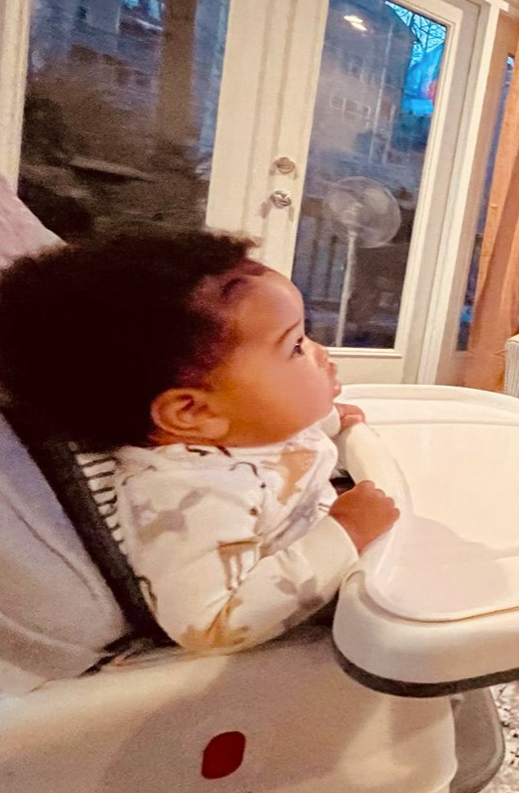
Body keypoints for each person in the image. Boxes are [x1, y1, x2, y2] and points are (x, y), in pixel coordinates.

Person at [0, 229, 400, 654]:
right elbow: (212, 624)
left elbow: (265, 436)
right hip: (320, 633)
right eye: (296, 346)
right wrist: (344, 534)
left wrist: (329, 421)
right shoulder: (193, 498)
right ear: (193, 413)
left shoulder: (235, 426)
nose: (321, 352)